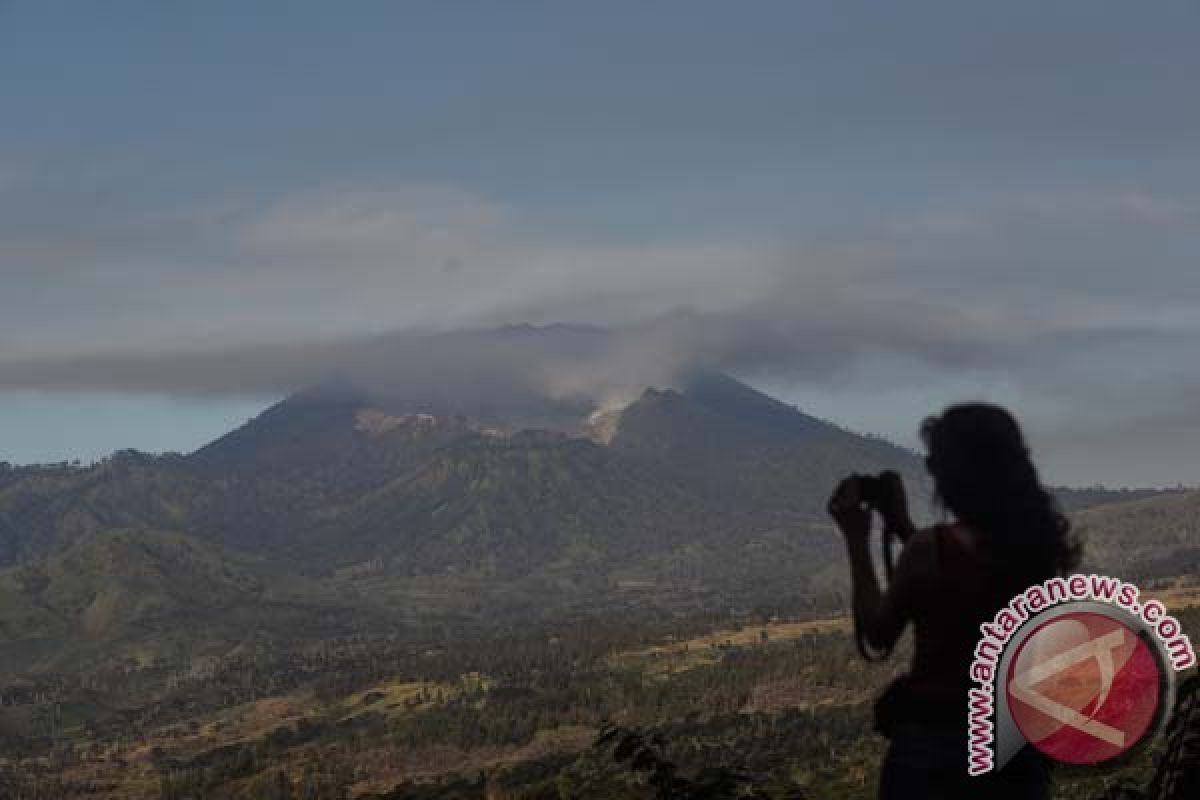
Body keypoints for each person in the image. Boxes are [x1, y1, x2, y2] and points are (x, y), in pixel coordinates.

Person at [827, 403, 1079, 800]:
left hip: (936, 747)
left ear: (954, 474)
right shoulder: (1039, 550)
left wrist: (857, 539)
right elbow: (964, 588)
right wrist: (904, 527)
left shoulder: (930, 550)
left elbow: (879, 635)